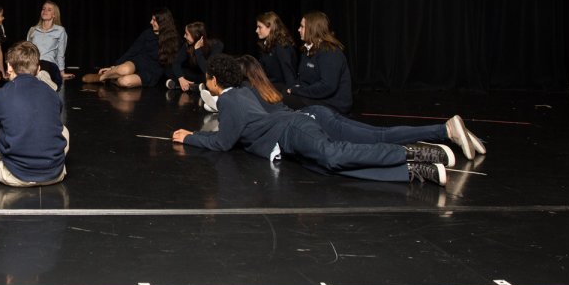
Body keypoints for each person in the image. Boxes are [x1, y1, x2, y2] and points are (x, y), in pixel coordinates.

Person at [171, 54, 466, 185]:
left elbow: (224, 142)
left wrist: (191, 137)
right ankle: (412, 171)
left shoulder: (229, 99)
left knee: (333, 154)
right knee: (331, 167)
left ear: (213, 80)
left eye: (207, 78)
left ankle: (411, 152)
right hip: (288, 140)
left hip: (293, 129)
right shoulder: (240, 94)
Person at [0, 41, 69, 186]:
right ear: (38, 69)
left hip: (16, 175)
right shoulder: (52, 93)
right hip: (55, 174)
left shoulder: (1, 95)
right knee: (64, 130)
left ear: (9, 67)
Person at [84, 8, 180, 88]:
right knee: (124, 70)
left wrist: (179, 78)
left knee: (125, 82)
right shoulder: (147, 33)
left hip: (152, 71)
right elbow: (132, 51)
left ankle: (112, 78)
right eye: (152, 19)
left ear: (162, 22)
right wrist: (114, 66)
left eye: (154, 20)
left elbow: (172, 63)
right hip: (138, 61)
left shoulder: (173, 39)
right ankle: (101, 77)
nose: (151, 22)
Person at [284, 11, 353, 114]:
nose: (298, 30)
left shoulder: (330, 52)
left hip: (333, 104)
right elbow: (303, 79)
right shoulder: (307, 50)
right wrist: (294, 88)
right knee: (279, 94)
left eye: (302, 27)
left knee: (282, 100)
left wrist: (297, 91)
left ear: (313, 29)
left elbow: (327, 87)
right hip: (315, 98)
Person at [27, 0, 72, 88]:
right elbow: (28, 51)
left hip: (49, 63)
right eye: (43, 9)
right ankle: (42, 80)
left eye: (49, 9)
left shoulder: (60, 30)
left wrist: (62, 72)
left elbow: (61, 53)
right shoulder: (33, 30)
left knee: (46, 68)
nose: (45, 11)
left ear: (54, 14)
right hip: (34, 63)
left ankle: (45, 78)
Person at [167, 21, 223, 91]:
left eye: (187, 34)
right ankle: (194, 86)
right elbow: (176, 62)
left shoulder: (216, 45)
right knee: (169, 69)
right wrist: (181, 78)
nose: (184, 36)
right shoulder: (187, 45)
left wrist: (197, 49)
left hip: (207, 74)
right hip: (194, 75)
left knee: (213, 78)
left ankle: (180, 85)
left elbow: (207, 70)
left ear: (195, 35)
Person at [255, 11, 298, 89]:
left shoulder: (282, 47)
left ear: (270, 27)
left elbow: (289, 76)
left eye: (260, 27)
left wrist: (290, 93)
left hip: (279, 89)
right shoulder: (266, 44)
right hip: (269, 86)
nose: (256, 31)